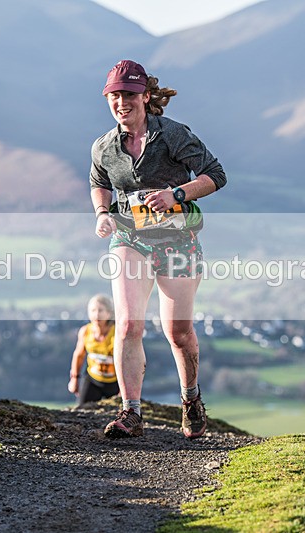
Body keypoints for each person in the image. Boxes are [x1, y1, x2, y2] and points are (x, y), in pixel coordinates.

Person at [90, 60, 227, 439]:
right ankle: (130, 412)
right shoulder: (104, 146)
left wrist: (176, 194)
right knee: (130, 323)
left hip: (177, 240)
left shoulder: (173, 135)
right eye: (115, 96)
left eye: (129, 95)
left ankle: (191, 399)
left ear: (145, 96)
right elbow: (98, 181)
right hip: (129, 238)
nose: (122, 102)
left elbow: (216, 175)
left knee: (178, 332)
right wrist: (103, 212)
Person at [67, 294, 119, 405]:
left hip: (115, 382)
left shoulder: (118, 333)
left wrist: (126, 390)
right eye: (93, 310)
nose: (96, 315)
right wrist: (74, 379)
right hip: (93, 380)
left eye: (100, 310)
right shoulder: (85, 331)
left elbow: (127, 361)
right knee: (81, 413)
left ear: (109, 313)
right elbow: (79, 355)